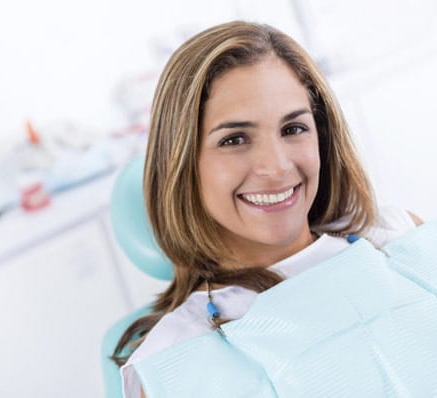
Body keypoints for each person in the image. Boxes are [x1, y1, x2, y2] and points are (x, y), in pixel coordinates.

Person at [112, 21, 424, 397]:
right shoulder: (174, 363)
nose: (276, 166)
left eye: (293, 129)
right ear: (182, 163)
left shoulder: (400, 237)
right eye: (235, 139)